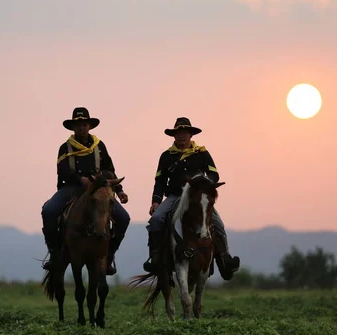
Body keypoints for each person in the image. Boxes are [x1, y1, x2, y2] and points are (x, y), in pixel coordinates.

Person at [144, 117, 240, 280]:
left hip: (196, 197)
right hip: (175, 196)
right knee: (156, 220)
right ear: (173, 135)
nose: (182, 136)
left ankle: (224, 258)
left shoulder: (202, 153)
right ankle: (156, 258)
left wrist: (204, 184)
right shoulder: (166, 156)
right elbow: (160, 181)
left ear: (191, 134)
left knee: (218, 224)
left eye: (185, 132)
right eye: (178, 133)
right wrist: (156, 201)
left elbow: (214, 174)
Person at [41, 107, 130, 275]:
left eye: (85, 124)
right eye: (78, 124)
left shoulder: (99, 145)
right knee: (49, 211)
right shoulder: (65, 147)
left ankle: (109, 254)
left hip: (97, 190)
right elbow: (63, 171)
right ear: (73, 127)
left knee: (123, 218)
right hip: (72, 188)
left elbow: (109, 170)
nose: (82, 127)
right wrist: (81, 179)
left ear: (89, 126)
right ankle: (54, 253)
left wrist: (119, 190)